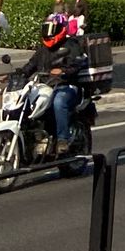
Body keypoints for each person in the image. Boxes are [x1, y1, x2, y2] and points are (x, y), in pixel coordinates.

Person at [17, 18, 87, 154]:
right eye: (46, 29)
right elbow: (31, 65)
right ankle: (33, 136)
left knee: (59, 102)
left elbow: (79, 62)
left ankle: (62, 139)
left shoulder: (70, 45)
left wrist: (64, 70)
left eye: (52, 30)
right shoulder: (43, 49)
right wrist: (18, 74)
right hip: (45, 86)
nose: (48, 34)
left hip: (66, 85)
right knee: (24, 101)